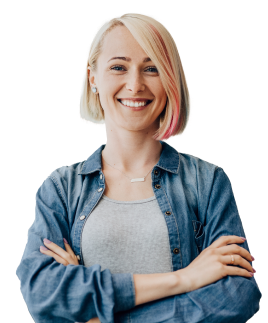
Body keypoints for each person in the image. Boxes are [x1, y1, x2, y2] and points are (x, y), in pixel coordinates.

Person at [16, 12, 261, 323]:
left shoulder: (207, 181)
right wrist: (184, 279)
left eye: (152, 69)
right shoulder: (61, 188)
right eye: (119, 67)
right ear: (93, 77)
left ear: (171, 79)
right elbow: (43, 294)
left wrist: (97, 316)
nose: (135, 85)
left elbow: (236, 297)